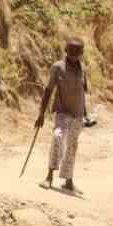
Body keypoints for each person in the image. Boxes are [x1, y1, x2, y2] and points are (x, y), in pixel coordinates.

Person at [35, 37, 88, 194]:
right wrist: (41, 114)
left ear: (81, 53)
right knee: (57, 137)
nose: (74, 54)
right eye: (71, 51)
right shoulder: (58, 67)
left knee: (72, 146)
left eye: (77, 52)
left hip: (78, 114)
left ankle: (68, 181)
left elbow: (82, 92)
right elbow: (48, 90)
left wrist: (85, 114)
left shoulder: (83, 69)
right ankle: (49, 176)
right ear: (65, 50)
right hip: (62, 111)